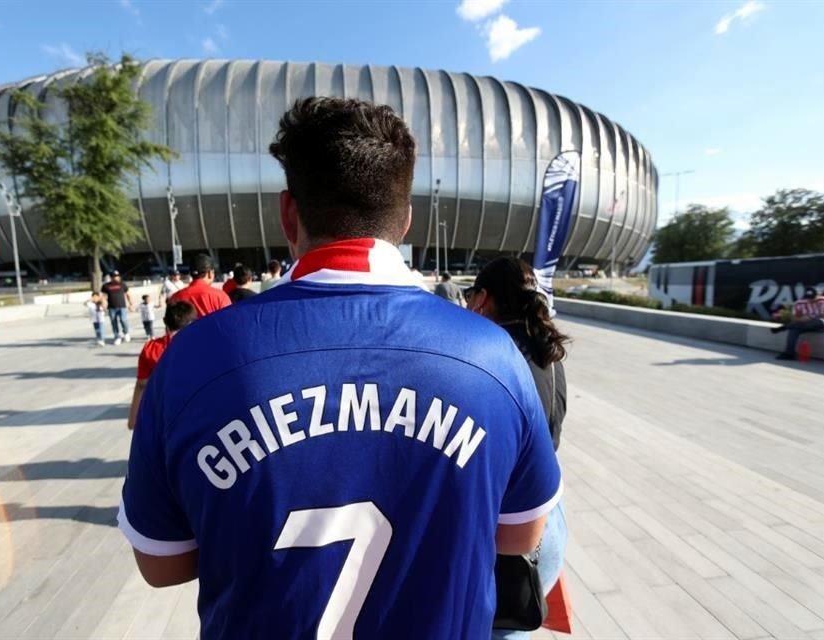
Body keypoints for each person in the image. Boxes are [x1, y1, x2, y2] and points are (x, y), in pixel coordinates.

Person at [119, 97, 561, 639]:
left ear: (288, 212)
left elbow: (161, 564)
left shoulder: (192, 357)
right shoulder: (491, 355)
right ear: (406, 219)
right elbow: (521, 535)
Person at [466, 257, 570, 639]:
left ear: (482, 299)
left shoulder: (491, 353)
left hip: (510, 525)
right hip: (550, 514)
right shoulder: (547, 350)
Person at [128, 301, 197, 430]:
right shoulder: (200, 346)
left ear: (166, 323)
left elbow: (141, 384)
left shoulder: (151, 348)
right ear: (192, 323)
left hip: (162, 413)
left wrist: (133, 418)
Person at [771, 286, 824, 360]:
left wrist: (810, 318)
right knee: (794, 330)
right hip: (804, 325)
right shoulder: (799, 303)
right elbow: (795, 318)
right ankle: (789, 353)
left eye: (812, 297)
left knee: (818, 321)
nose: (810, 300)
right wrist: (801, 319)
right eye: (808, 297)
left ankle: (785, 327)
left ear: (819, 295)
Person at [101, 269, 134, 345]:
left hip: (122, 306)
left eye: (117, 276)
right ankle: (117, 337)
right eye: (114, 276)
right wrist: (103, 305)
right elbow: (103, 296)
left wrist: (131, 304)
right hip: (111, 307)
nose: (116, 278)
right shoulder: (106, 286)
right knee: (114, 322)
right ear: (111, 277)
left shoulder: (122, 284)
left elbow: (128, 294)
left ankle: (126, 333)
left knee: (123, 320)